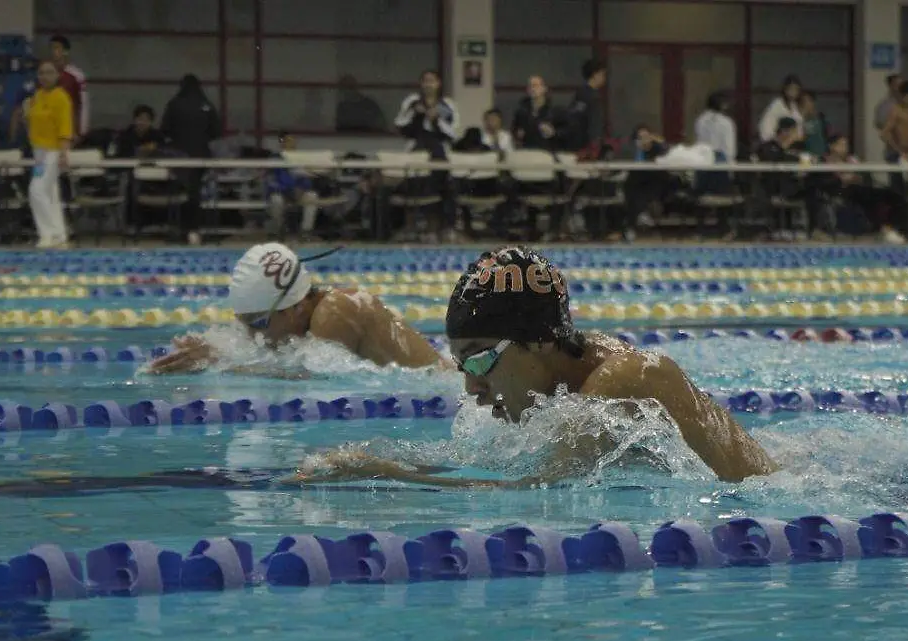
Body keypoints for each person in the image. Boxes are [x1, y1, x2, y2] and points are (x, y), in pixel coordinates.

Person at [299, 247, 777, 487]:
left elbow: (533, 490)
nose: (472, 387)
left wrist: (388, 473)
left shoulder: (623, 381)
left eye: (480, 359)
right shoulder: (573, 372)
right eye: (462, 364)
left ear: (541, 342)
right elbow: (510, 465)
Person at [146, 242, 445, 374]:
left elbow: (315, 379)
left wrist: (219, 363)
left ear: (296, 308)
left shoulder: (337, 311)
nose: (253, 335)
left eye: (259, 323)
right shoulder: (310, 319)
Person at [160, 74, 222, 245]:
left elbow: (164, 129)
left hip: (179, 157)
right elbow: (217, 131)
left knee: (181, 192)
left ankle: (182, 229)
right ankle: (194, 230)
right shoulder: (206, 104)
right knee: (195, 192)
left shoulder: (174, 104)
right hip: (201, 156)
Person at [24, 60, 73, 249]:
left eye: (49, 72)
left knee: (36, 190)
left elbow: (65, 127)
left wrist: (63, 153)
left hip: (53, 151)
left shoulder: (61, 98)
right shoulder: (37, 96)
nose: (45, 76)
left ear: (57, 75)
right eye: (41, 73)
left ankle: (47, 233)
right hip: (38, 151)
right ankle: (59, 233)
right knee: (50, 192)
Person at [48, 35, 89, 140]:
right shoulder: (45, 74)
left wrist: (81, 131)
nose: (53, 51)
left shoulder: (76, 75)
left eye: (56, 48)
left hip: (69, 130)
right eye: (51, 48)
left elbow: (83, 104)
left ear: (65, 51)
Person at [757, 75, 803, 143]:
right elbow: (765, 128)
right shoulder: (776, 105)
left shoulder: (794, 107)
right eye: (791, 89)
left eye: (796, 90)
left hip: (793, 144)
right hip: (775, 144)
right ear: (785, 90)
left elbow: (799, 127)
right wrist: (776, 141)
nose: (793, 93)